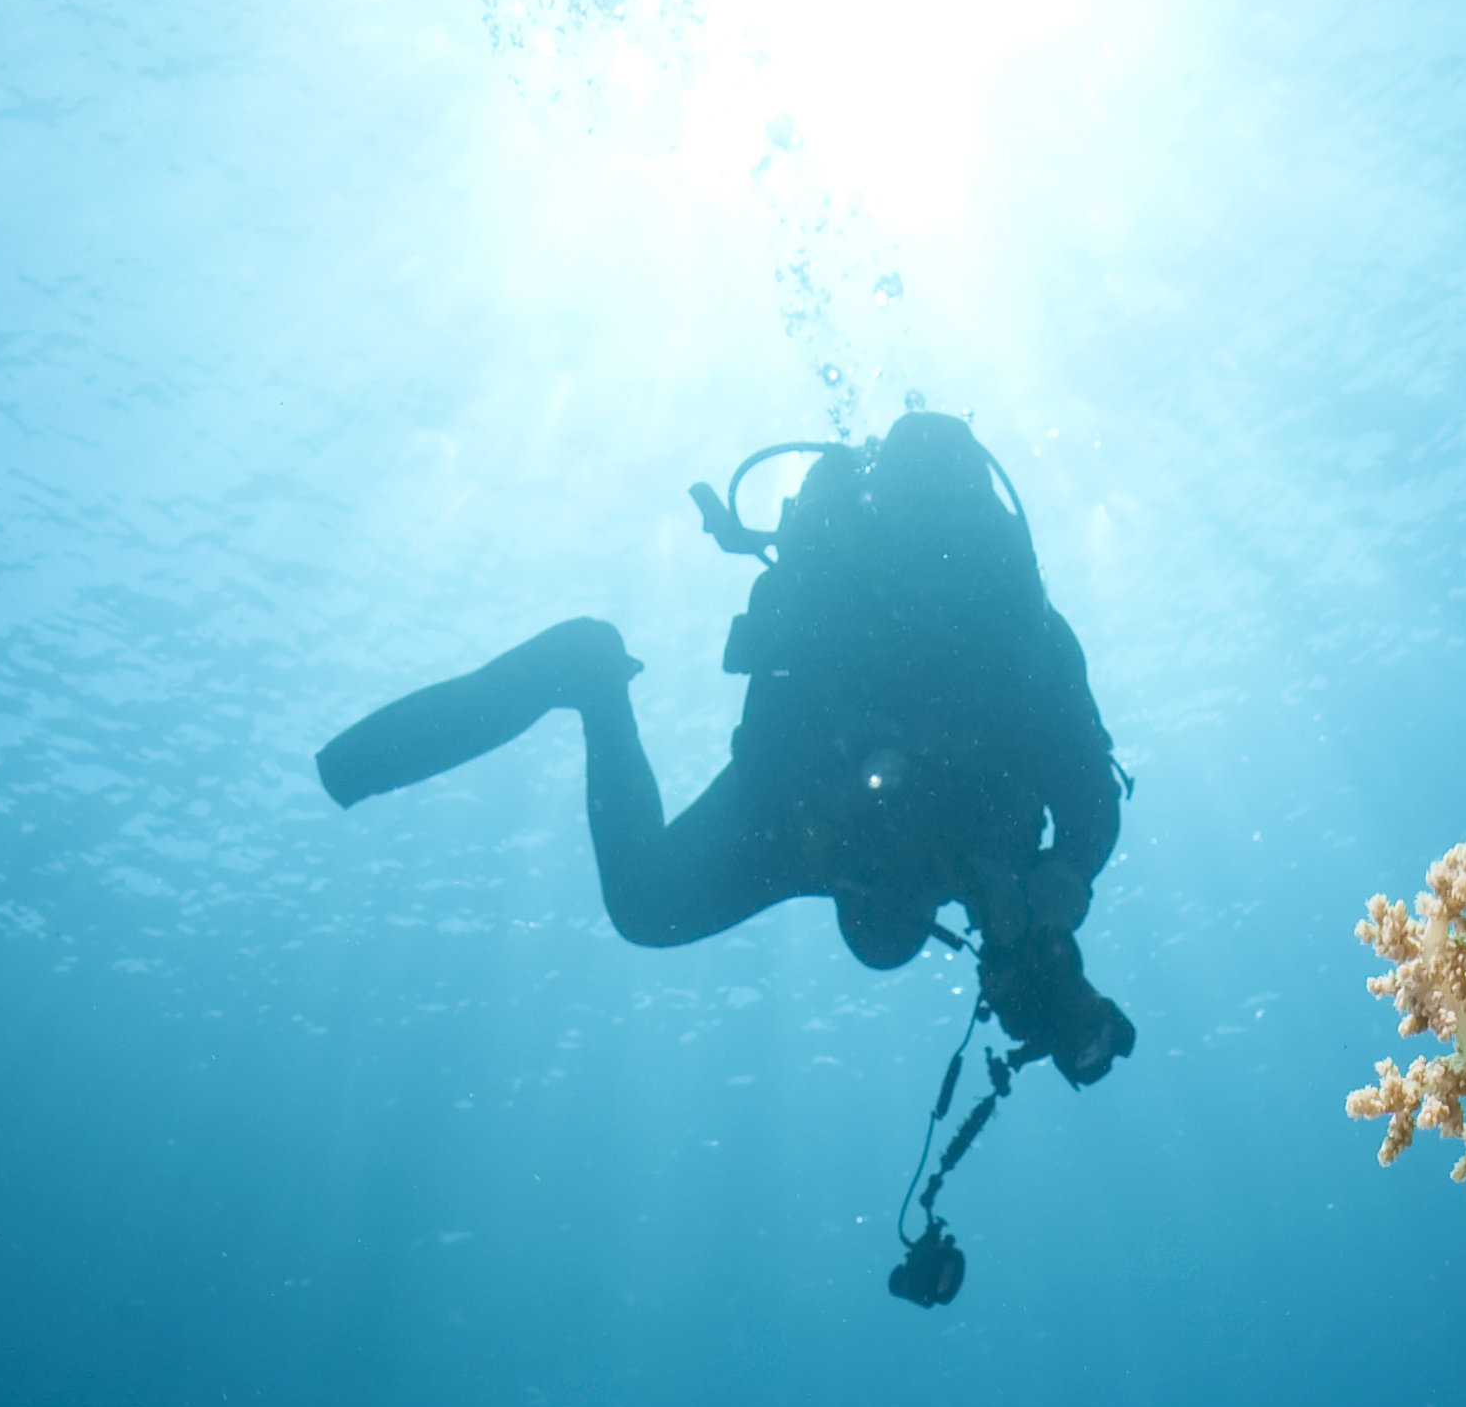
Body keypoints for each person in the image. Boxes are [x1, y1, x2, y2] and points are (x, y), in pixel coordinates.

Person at [314, 412, 1134, 1085]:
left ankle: (591, 678)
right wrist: (1068, 869)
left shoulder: (1020, 661)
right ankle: (588, 673)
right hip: (804, 790)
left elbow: (1082, 787)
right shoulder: (1009, 654)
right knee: (646, 907)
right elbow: (785, 713)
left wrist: (1058, 878)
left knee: (648, 908)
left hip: (810, 819)